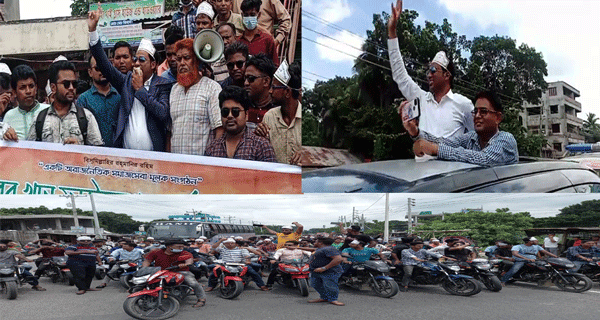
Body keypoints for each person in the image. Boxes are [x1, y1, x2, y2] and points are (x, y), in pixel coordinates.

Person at [388, 0, 473, 145]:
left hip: (454, 168)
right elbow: (400, 75)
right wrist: (392, 32)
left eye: (433, 70)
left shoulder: (464, 104)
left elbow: (477, 140)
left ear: (447, 75)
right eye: (428, 70)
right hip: (422, 167)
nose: (429, 74)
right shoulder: (422, 99)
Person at [88, 8, 173, 151]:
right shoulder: (126, 81)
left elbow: (163, 113)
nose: (137, 63)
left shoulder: (162, 84)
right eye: (135, 59)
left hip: (154, 158)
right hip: (128, 158)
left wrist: (140, 90)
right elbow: (104, 64)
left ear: (153, 65)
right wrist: (93, 30)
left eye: (142, 60)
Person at [403, 90, 518, 167]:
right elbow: (443, 142)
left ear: (498, 117)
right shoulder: (472, 137)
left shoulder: (506, 140)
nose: (477, 116)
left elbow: (485, 159)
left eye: (483, 111)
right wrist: (415, 131)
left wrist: (436, 149)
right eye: (475, 111)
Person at [17, 61, 103, 145]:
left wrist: (79, 149)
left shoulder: (86, 117)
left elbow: (97, 154)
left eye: (74, 84)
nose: (71, 88)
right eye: (66, 84)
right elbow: (31, 153)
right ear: (53, 88)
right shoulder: (39, 119)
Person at [169, 38, 224, 155]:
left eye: (187, 58)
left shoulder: (212, 87)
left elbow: (219, 129)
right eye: (178, 59)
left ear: (196, 61)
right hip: (177, 165)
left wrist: (215, 159)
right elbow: (170, 131)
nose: (182, 63)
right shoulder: (174, 90)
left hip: (202, 165)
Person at [204, 85, 276, 161]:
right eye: (225, 112)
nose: (230, 116)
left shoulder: (261, 146)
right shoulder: (212, 149)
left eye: (235, 111)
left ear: (247, 114)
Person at [255, 60, 302, 165]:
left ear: (287, 92)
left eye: (274, 87)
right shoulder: (269, 116)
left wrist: (306, 154)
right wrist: (258, 137)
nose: (270, 91)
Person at [143, 240, 207, 308]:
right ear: (168, 247)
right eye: (178, 247)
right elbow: (147, 261)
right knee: (146, 281)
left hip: (181, 271)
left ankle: (201, 299)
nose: (180, 248)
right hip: (161, 272)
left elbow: (189, 261)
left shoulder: (184, 253)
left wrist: (185, 264)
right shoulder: (156, 252)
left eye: (182, 247)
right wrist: (144, 269)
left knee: (193, 283)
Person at [77, 56, 121, 147]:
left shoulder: (120, 95)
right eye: (98, 68)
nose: (102, 71)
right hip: (94, 155)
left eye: (105, 66)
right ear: (90, 72)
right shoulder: (84, 99)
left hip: (120, 154)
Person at [2, 65, 50, 140]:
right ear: (14, 92)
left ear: (36, 88)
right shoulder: (9, 116)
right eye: (22, 87)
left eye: (31, 86)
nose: (28, 91)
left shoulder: (48, 111)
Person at [238, 0, 279, 66]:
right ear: (242, 15)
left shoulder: (267, 39)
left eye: (252, 15)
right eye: (246, 15)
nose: (249, 18)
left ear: (258, 15)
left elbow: (275, 64)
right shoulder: (238, 42)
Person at [243, 53, 277, 130]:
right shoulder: (242, 107)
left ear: (266, 81)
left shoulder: (279, 110)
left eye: (251, 78)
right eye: (245, 78)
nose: (246, 83)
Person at [307, 238, 344, 306]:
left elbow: (338, 259)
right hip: (316, 271)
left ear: (320, 242)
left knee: (330, 286)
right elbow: (312, 250)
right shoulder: (320, 249)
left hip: (329, 271)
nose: (314, 242)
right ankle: (324, 297)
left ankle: (333, 299)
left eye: (316, 241)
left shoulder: (329, 249)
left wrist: (324, 268)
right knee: (315, 284)